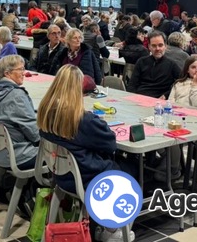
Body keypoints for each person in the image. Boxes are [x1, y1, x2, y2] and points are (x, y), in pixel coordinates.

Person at [37, 64, 133, 242]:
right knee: (130, 170)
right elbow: (110, 144)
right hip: (86, 178)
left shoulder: (45, 110)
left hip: (59, 174)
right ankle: (113, 228)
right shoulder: (82, 119)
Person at [0, 55, 40, 170]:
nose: (24, 73)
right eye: (20, 69)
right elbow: (34, 134)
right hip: (17, 155)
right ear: (7, 73)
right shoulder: (16, 96)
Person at [127, 31, 180, 99]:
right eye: (154, 46)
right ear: (149, 47)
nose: (157, 49)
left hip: (159, 102)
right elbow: (132, 85)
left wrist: (166, 95)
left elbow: (181, 84)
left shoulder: (172, 65)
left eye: (160, 45)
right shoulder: (141, 62)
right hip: (139, 98)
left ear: (165, 46)